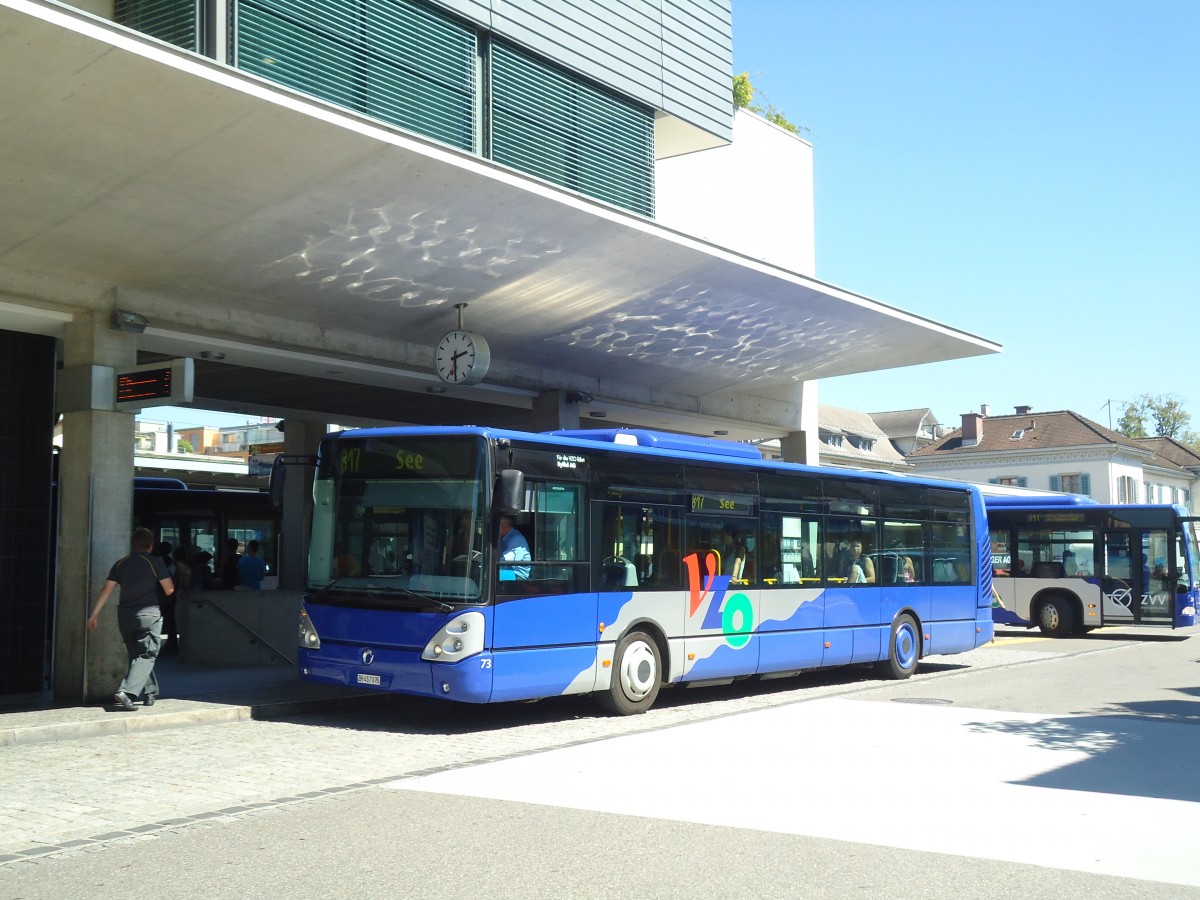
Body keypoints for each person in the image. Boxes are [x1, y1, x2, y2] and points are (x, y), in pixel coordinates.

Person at [86, 527, 175, 710]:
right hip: (149, 614)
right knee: (148, 654)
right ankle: (125, 692)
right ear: (150, 546)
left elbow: (106, 590)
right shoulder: (154, 562)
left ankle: (150, 692)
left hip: (125, 616)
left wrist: (94, 614)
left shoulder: (121, 563)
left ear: (132, 545)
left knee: (137, 656)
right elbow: (169, 590)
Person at [498, 515, 530, 580]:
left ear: (503, 527)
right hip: (508, 571)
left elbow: (506, 560)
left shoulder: (516, 539)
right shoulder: (503, 538)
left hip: (518, 577)